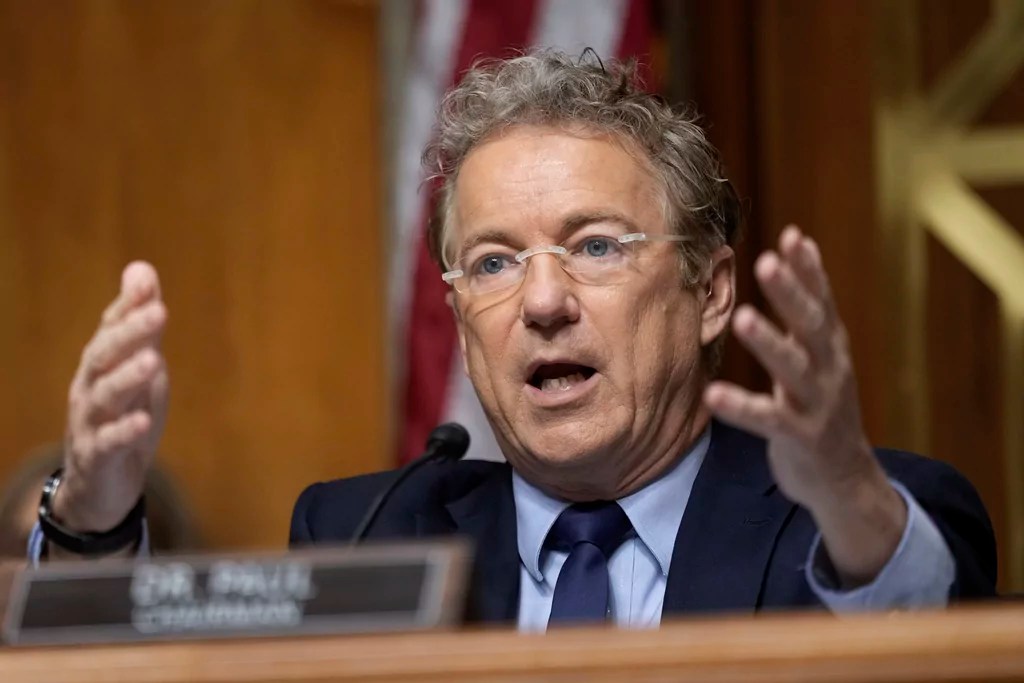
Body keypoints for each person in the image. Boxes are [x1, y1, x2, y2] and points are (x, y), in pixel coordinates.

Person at [30, 51, 995, 629]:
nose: (541, 301)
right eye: (493, 262)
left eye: (595, 246)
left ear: (711, 292)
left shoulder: (853, 527)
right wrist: (92, 520)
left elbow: (925, 634)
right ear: (457, 315)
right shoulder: (369, 532)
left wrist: (853, 506)